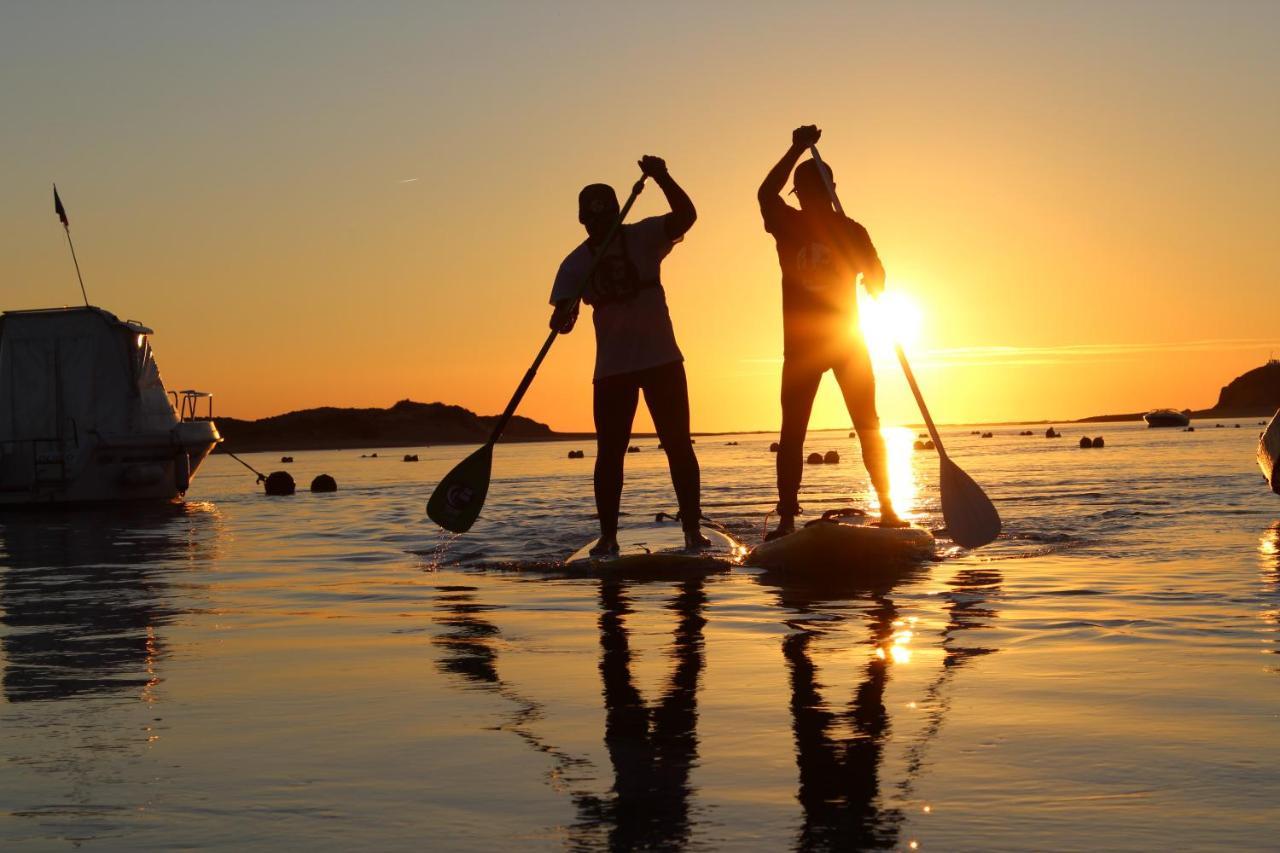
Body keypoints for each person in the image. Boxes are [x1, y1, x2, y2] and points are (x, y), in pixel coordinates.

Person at [549, 155, 709, 556]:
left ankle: (692, 531)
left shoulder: (645, 236)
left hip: (662, 361)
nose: (599, 224)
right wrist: (563, 316)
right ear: (583, 221)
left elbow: (687, 215)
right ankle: (608, 537)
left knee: (678, 445)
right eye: (592, 219)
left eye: (605, 217)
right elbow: (562, 322)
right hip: (612, 370)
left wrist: (662, 177)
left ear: (617, 213)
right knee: (610, 454)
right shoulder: (574, 264)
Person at [758, 125, 904, 539]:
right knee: (793, 432)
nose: (812, 199)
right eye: (804, 193)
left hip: (847, 344)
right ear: (799, 196)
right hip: (803, 348)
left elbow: (877, 273)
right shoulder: (787, 224)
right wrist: (794, 149)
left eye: (818, 191)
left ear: (830, 190)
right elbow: (764, 194)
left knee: (868, 423)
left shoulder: (852, 231)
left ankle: (889, 509)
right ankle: (786, 518)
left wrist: (874, 280)